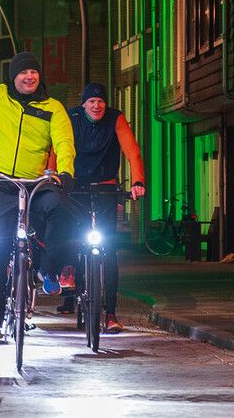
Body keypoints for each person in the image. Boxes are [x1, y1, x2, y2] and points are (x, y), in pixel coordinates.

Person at [0, 21, 76, 342]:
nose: (29, 76)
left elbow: (64, 142)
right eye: (23, 73)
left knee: (64, 211)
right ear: (13, 77)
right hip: (1, 183)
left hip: (37, 183)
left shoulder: (53, 108)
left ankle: (47, 269)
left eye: (33, 72)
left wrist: (64, 172)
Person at [62, 82, 145, 333]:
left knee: (109, 249)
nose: (97, 106)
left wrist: (138, 180)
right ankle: (69, 269)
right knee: (70, 230)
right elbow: (59, 147)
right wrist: (56, 176)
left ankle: (110, 313)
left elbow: (132, 150)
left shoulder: (115, 119)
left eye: (100, 101)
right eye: (91, 102)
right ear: (83, 103)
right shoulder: (72, 118)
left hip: (106, 186)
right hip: (76, 185)